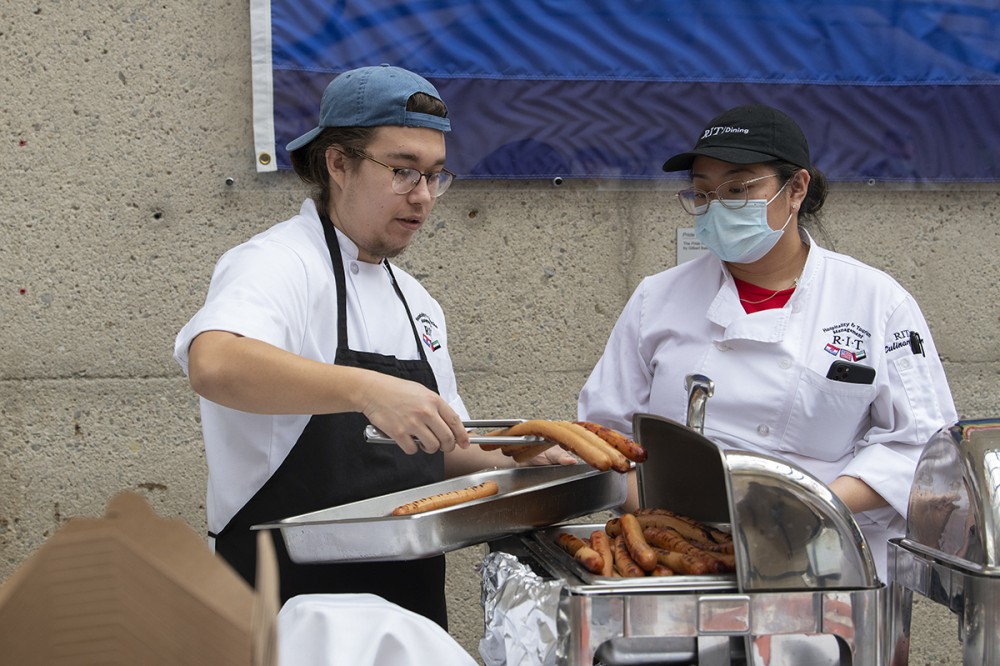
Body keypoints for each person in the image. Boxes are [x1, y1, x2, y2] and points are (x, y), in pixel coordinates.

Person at [173, 64, 571, 628]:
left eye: (436, 175)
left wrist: (523, 455)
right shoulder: (278, 263)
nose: (425, 197)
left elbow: (443, 445)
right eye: (404, 172)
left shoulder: (417, 303)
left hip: (405, 604)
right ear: (338, 163)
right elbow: (214, 362)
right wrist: (366, 388)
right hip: (282, 602)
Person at [577, 103, 957, 579]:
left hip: (823, 561)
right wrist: (680, 525)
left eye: (738, 188)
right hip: (680, 562)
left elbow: (923, 447)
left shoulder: (877, 303)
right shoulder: (658, 298)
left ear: (796, 188)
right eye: (702, 193)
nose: (717, 206)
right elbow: (602, 438)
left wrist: (810, 508)